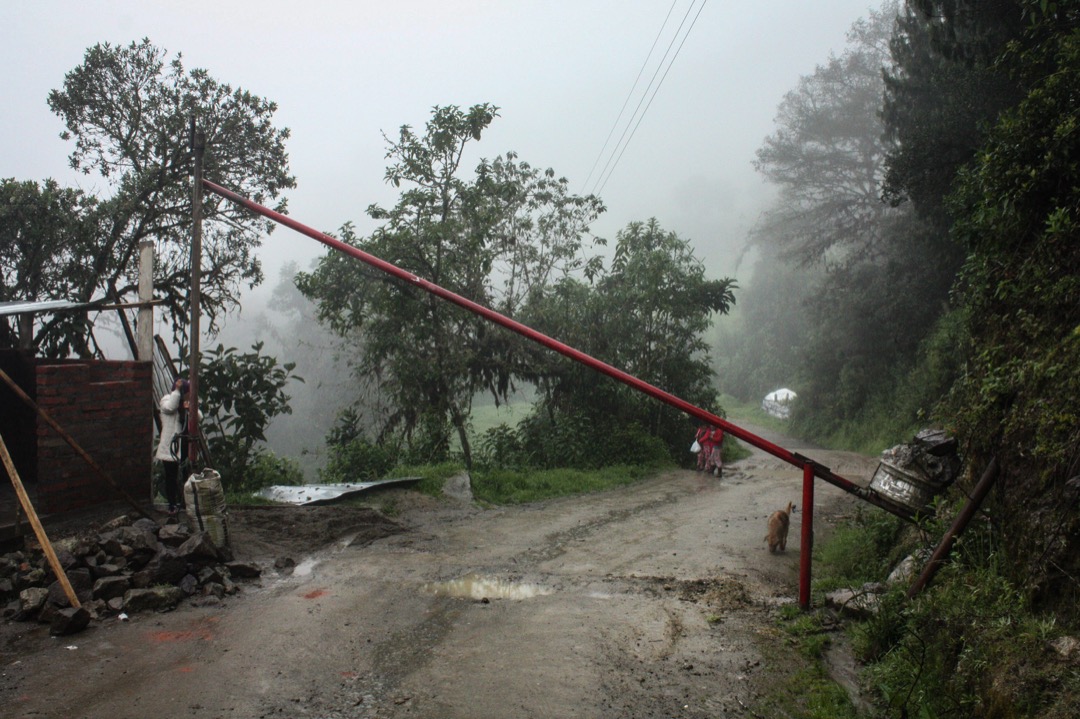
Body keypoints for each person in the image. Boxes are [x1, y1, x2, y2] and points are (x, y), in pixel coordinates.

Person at [155, 377, 191, 515]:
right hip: (170, 446)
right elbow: (171, 407)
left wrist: (190, 406)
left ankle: (184, 503)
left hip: (184, 445)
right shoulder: (166, 400)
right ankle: (171, 504)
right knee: (171, 477)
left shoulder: (185, 405)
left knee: (186, 475)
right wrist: (177, 391)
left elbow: (199, 417)